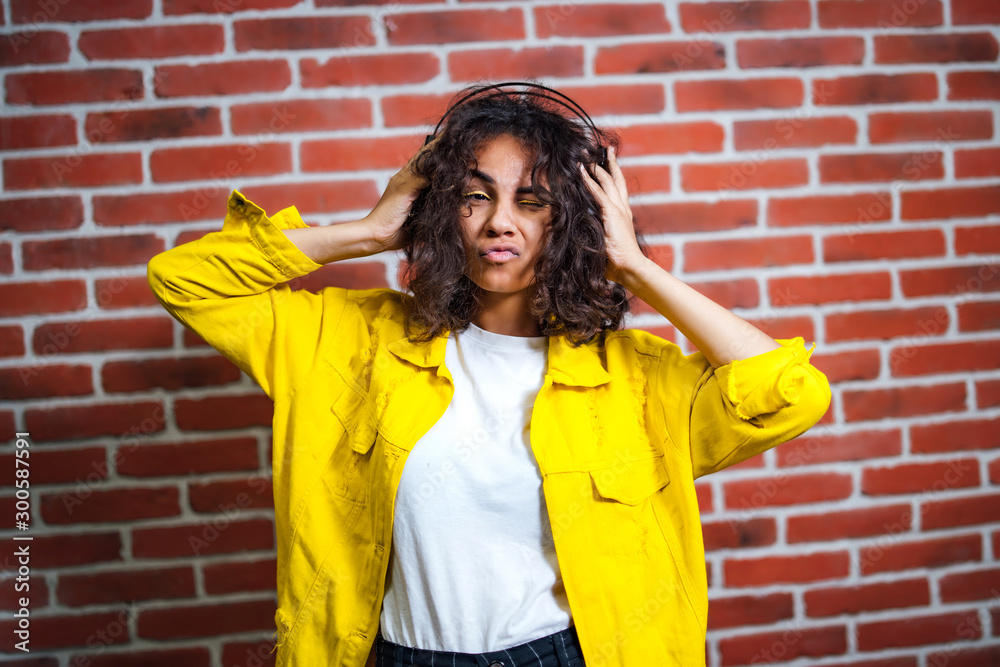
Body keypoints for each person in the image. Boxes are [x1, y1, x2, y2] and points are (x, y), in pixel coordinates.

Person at [147, 82, 831, 667]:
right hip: (393, 653)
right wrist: (375, 228)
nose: (500, 222)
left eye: (532, 200)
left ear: (571, 222)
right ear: (445, 210)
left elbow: (789, 393)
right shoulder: (347, 338)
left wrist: (635, 267)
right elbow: (186, 282)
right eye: (475, 196)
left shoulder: (638, 379)